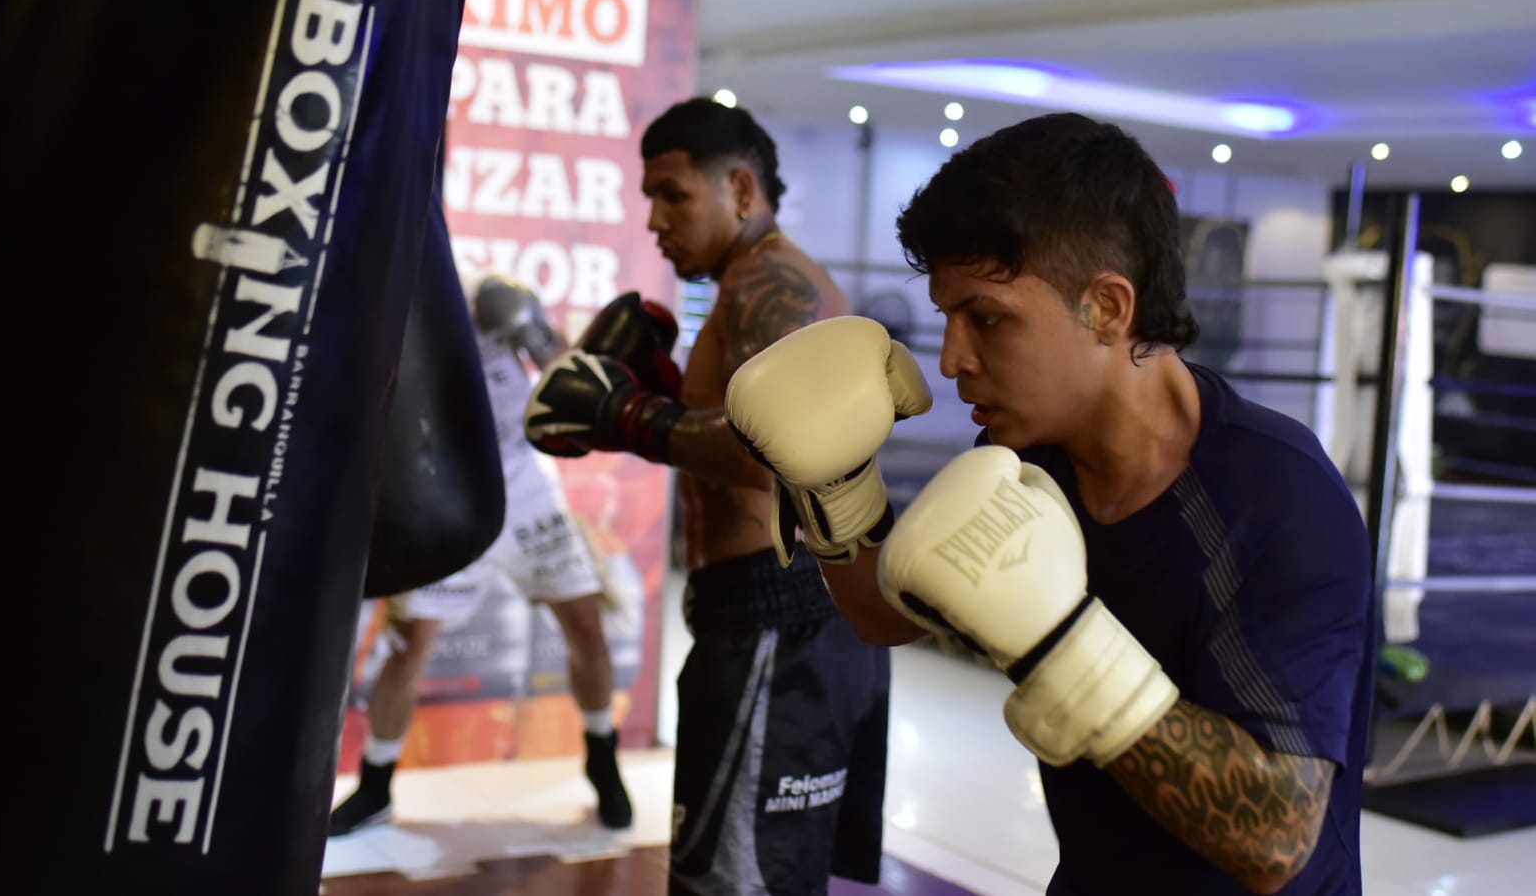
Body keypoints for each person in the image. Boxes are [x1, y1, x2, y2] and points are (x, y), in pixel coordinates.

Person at [726, 113, 1376, 895]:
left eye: (988, 318)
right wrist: (835, 491)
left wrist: (1060, 643)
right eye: (946, 317)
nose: (952, 359)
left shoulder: (1277, 494)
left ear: (1105, 306)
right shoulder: (1026, 459)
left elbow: (1277, 839)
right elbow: (888, 613)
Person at [523, 97, 892, 896]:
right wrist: (661, 401)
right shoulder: (741, 290)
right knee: (744, 873)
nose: (653, 218)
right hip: (762, 612)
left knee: (736, 882)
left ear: (742, 192)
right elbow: (737, 429)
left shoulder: (776, 284)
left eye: (673, 195)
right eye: (647, 196)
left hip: (781, 615)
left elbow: (782, 450)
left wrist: (630, 413)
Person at [329, 273, 638, 837]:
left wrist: (537, 330)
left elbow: (569, 379)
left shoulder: (489, 302)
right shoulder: (390, 310)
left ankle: (603, 756)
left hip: (523, 488)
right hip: (448, 489)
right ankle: (375, 787)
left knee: (586, 629)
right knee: (411, 643)